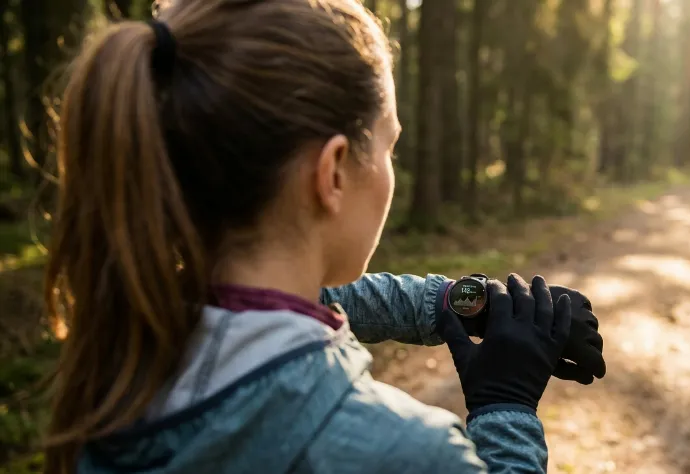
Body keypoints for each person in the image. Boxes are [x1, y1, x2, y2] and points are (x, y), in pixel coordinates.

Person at [42, 0, 605, 472]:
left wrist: (474, 304)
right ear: (333, 172)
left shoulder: (120, 357)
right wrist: (505, 409)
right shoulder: (407, 453)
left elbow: (326, 302)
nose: (390, 169)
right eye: (388, 146)